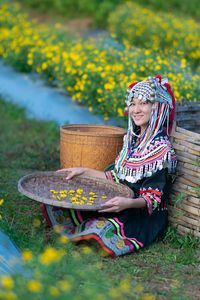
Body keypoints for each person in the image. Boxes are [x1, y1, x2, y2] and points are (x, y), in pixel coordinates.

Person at [41, 75, 177, 257]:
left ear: (157, 108)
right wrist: (83, 171)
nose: (136, 109)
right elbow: (115, 176)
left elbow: (152, 199)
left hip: (141, 213)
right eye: (133, 103)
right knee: (58, 204)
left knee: (101, 230)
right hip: (120, 200)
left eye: (143, 104)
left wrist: (127, 203)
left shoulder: (161, 150)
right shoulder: (132, 141)